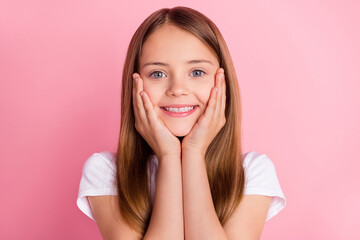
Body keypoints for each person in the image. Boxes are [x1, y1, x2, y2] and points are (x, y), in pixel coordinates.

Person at [77, 6, 286, 240]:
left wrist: (194, 153)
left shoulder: (251, 172)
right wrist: (168, 156)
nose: (177, 89)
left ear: (222, 81)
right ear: (135, 84)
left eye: (196, 72)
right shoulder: (106, 171)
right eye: (158, 74)